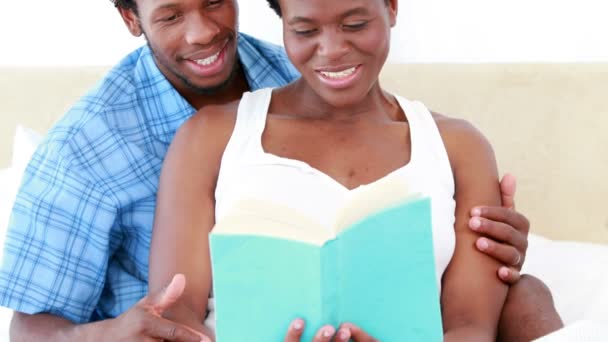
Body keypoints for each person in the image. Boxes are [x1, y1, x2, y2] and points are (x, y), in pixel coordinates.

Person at [0, 0, 558, 341]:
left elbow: (470, 319)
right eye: (170, 14)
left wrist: (491, 251)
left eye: (215, 1)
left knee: (528, 294)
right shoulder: (90, 147)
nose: (201, 34)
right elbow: (30, 330)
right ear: (131, 18)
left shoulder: (287, 64)